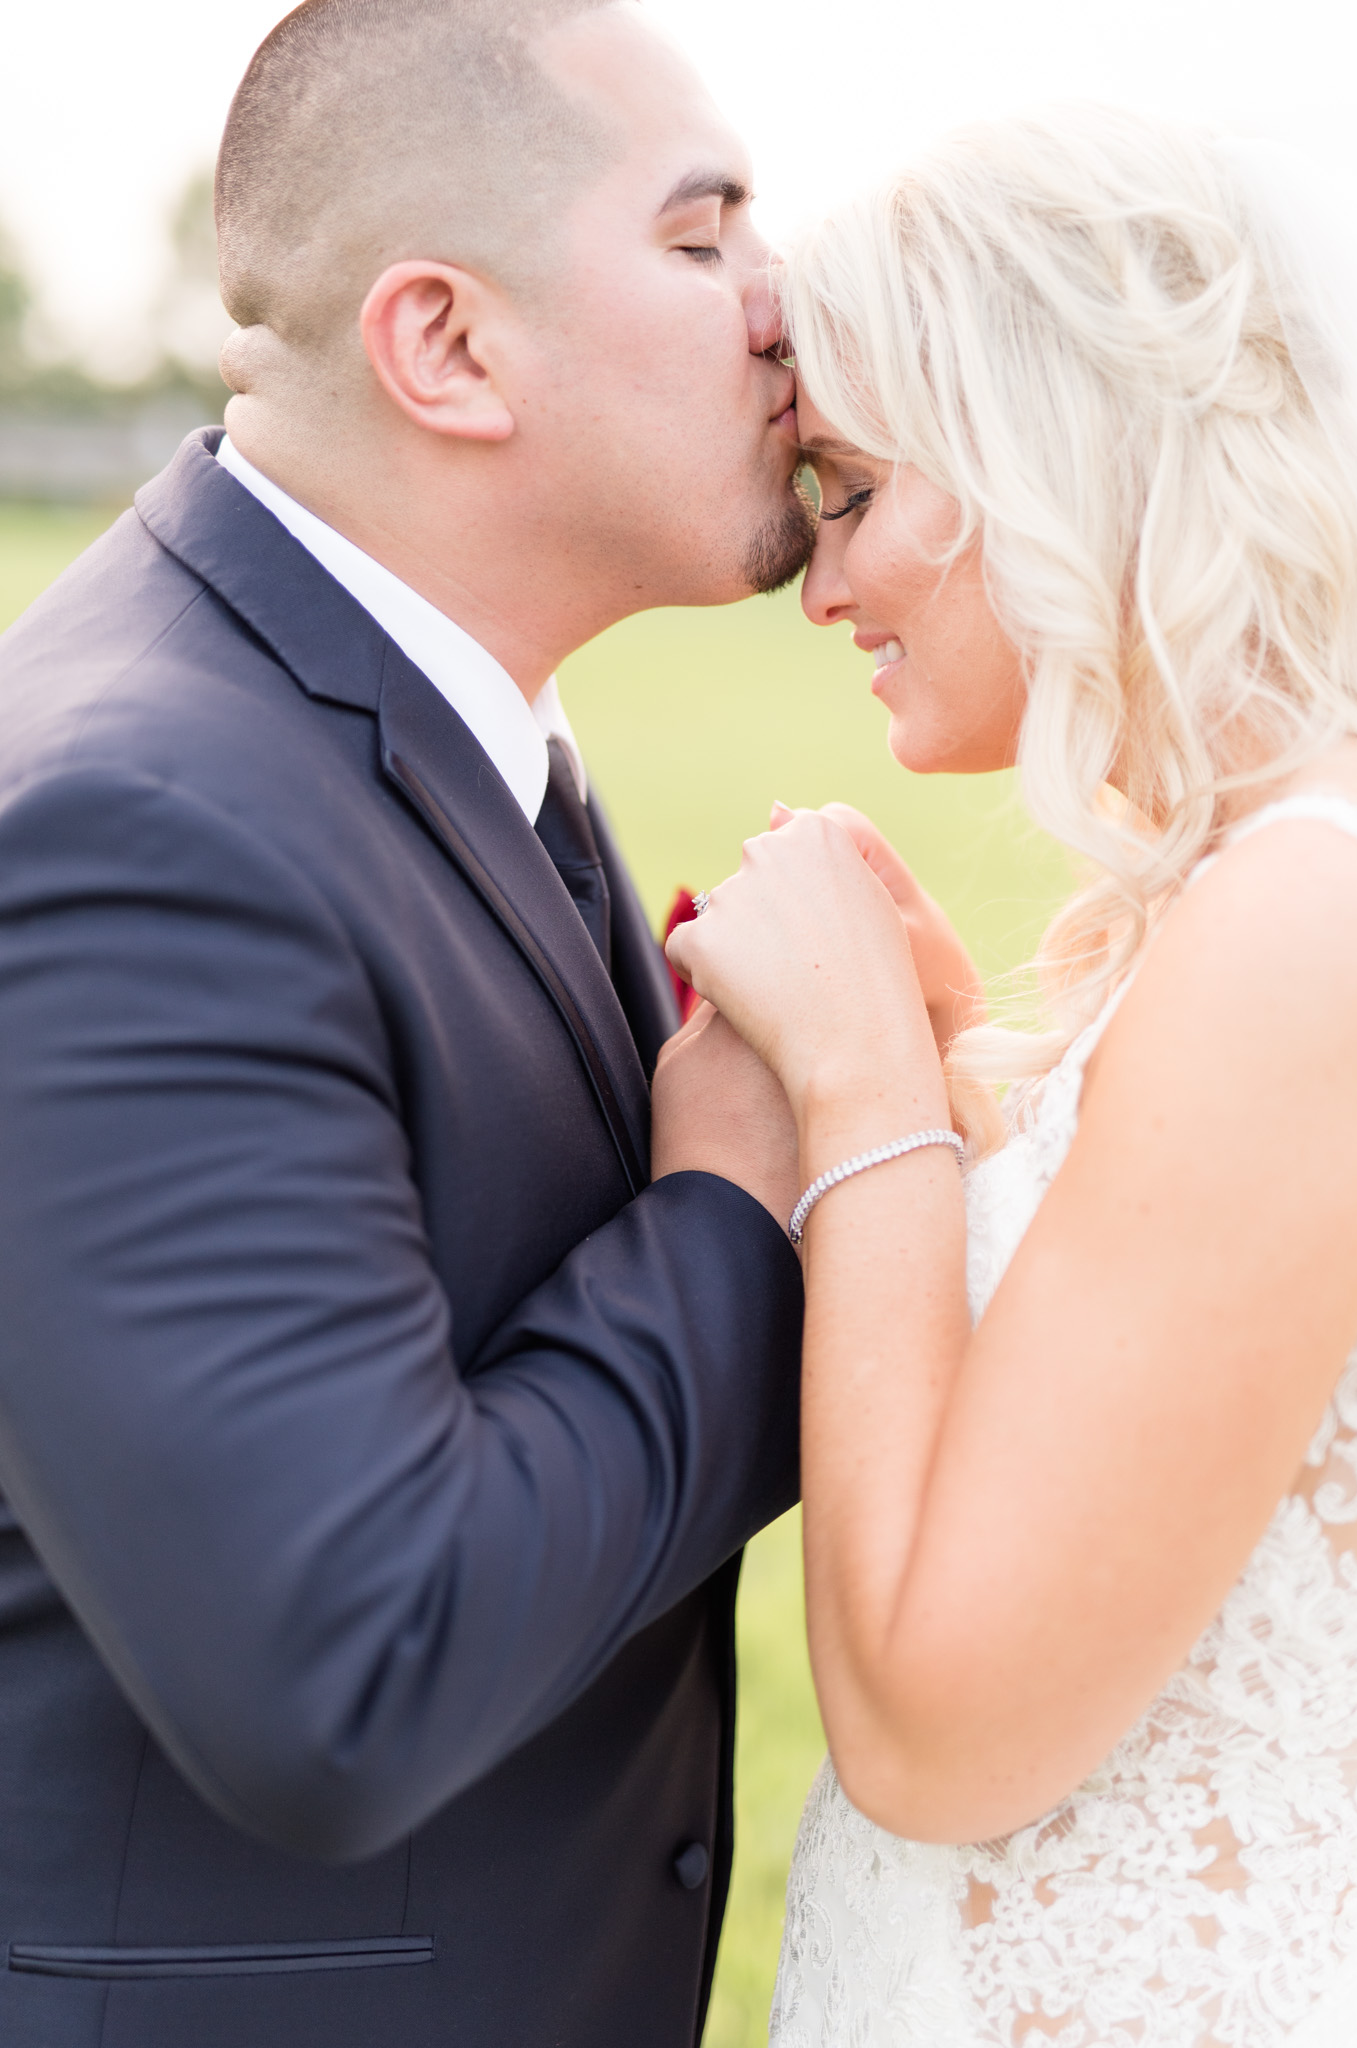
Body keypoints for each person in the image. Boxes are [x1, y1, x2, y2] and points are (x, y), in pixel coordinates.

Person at [0, 5, 814, 2045]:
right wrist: (745, 1203)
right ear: (447, 344)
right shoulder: (135, 829)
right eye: (706, 239)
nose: (786, 308)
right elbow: (346, 1670)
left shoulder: (431, 719)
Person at [663, 108, 1357, 2046]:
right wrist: (973, 1095)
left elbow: (927, 1719)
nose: (819, 583)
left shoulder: (1303, 925)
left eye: (853, 487)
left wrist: (868, 1092)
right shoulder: (1249, 898)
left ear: (1036, 448)